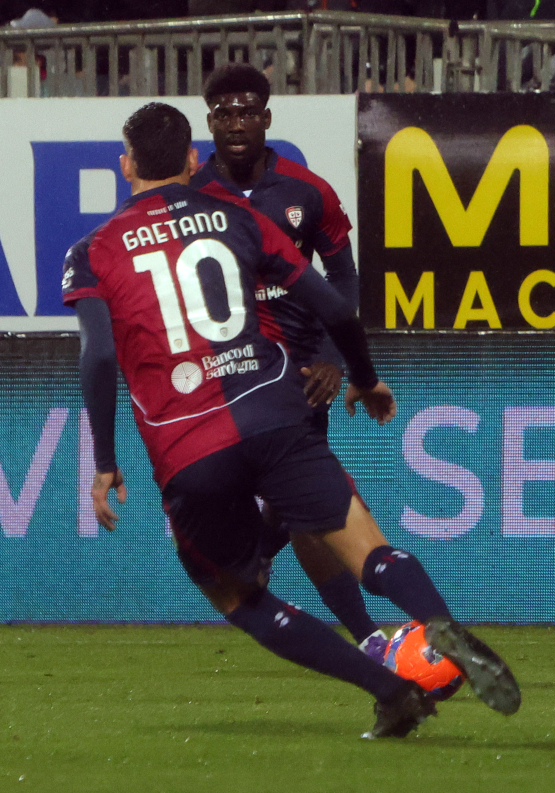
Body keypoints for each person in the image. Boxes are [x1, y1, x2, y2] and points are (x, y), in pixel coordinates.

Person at [64, 102, 521, 737]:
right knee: (373, 554)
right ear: (194, 161)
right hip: (277, 416)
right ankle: (439, 626)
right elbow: (333, 304)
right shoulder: (237, 217)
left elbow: (99, 356)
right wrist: (362, 375)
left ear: (126, 165)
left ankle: (390, 691)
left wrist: (106, 460)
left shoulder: (94, 250)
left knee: (243, 600)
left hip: (190, 446)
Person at [190, 63, 393, 663]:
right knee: (295, 506)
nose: (237, 121)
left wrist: (334, 357)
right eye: (224, 112)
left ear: (267, 118)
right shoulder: (193, 198)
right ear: (210, 121)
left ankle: (370, 639)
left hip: (301, 373)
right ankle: (265, 550)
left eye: (248, 110)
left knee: (306, 509)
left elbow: (346, 276)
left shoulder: (309, 191)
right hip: (226, 372)